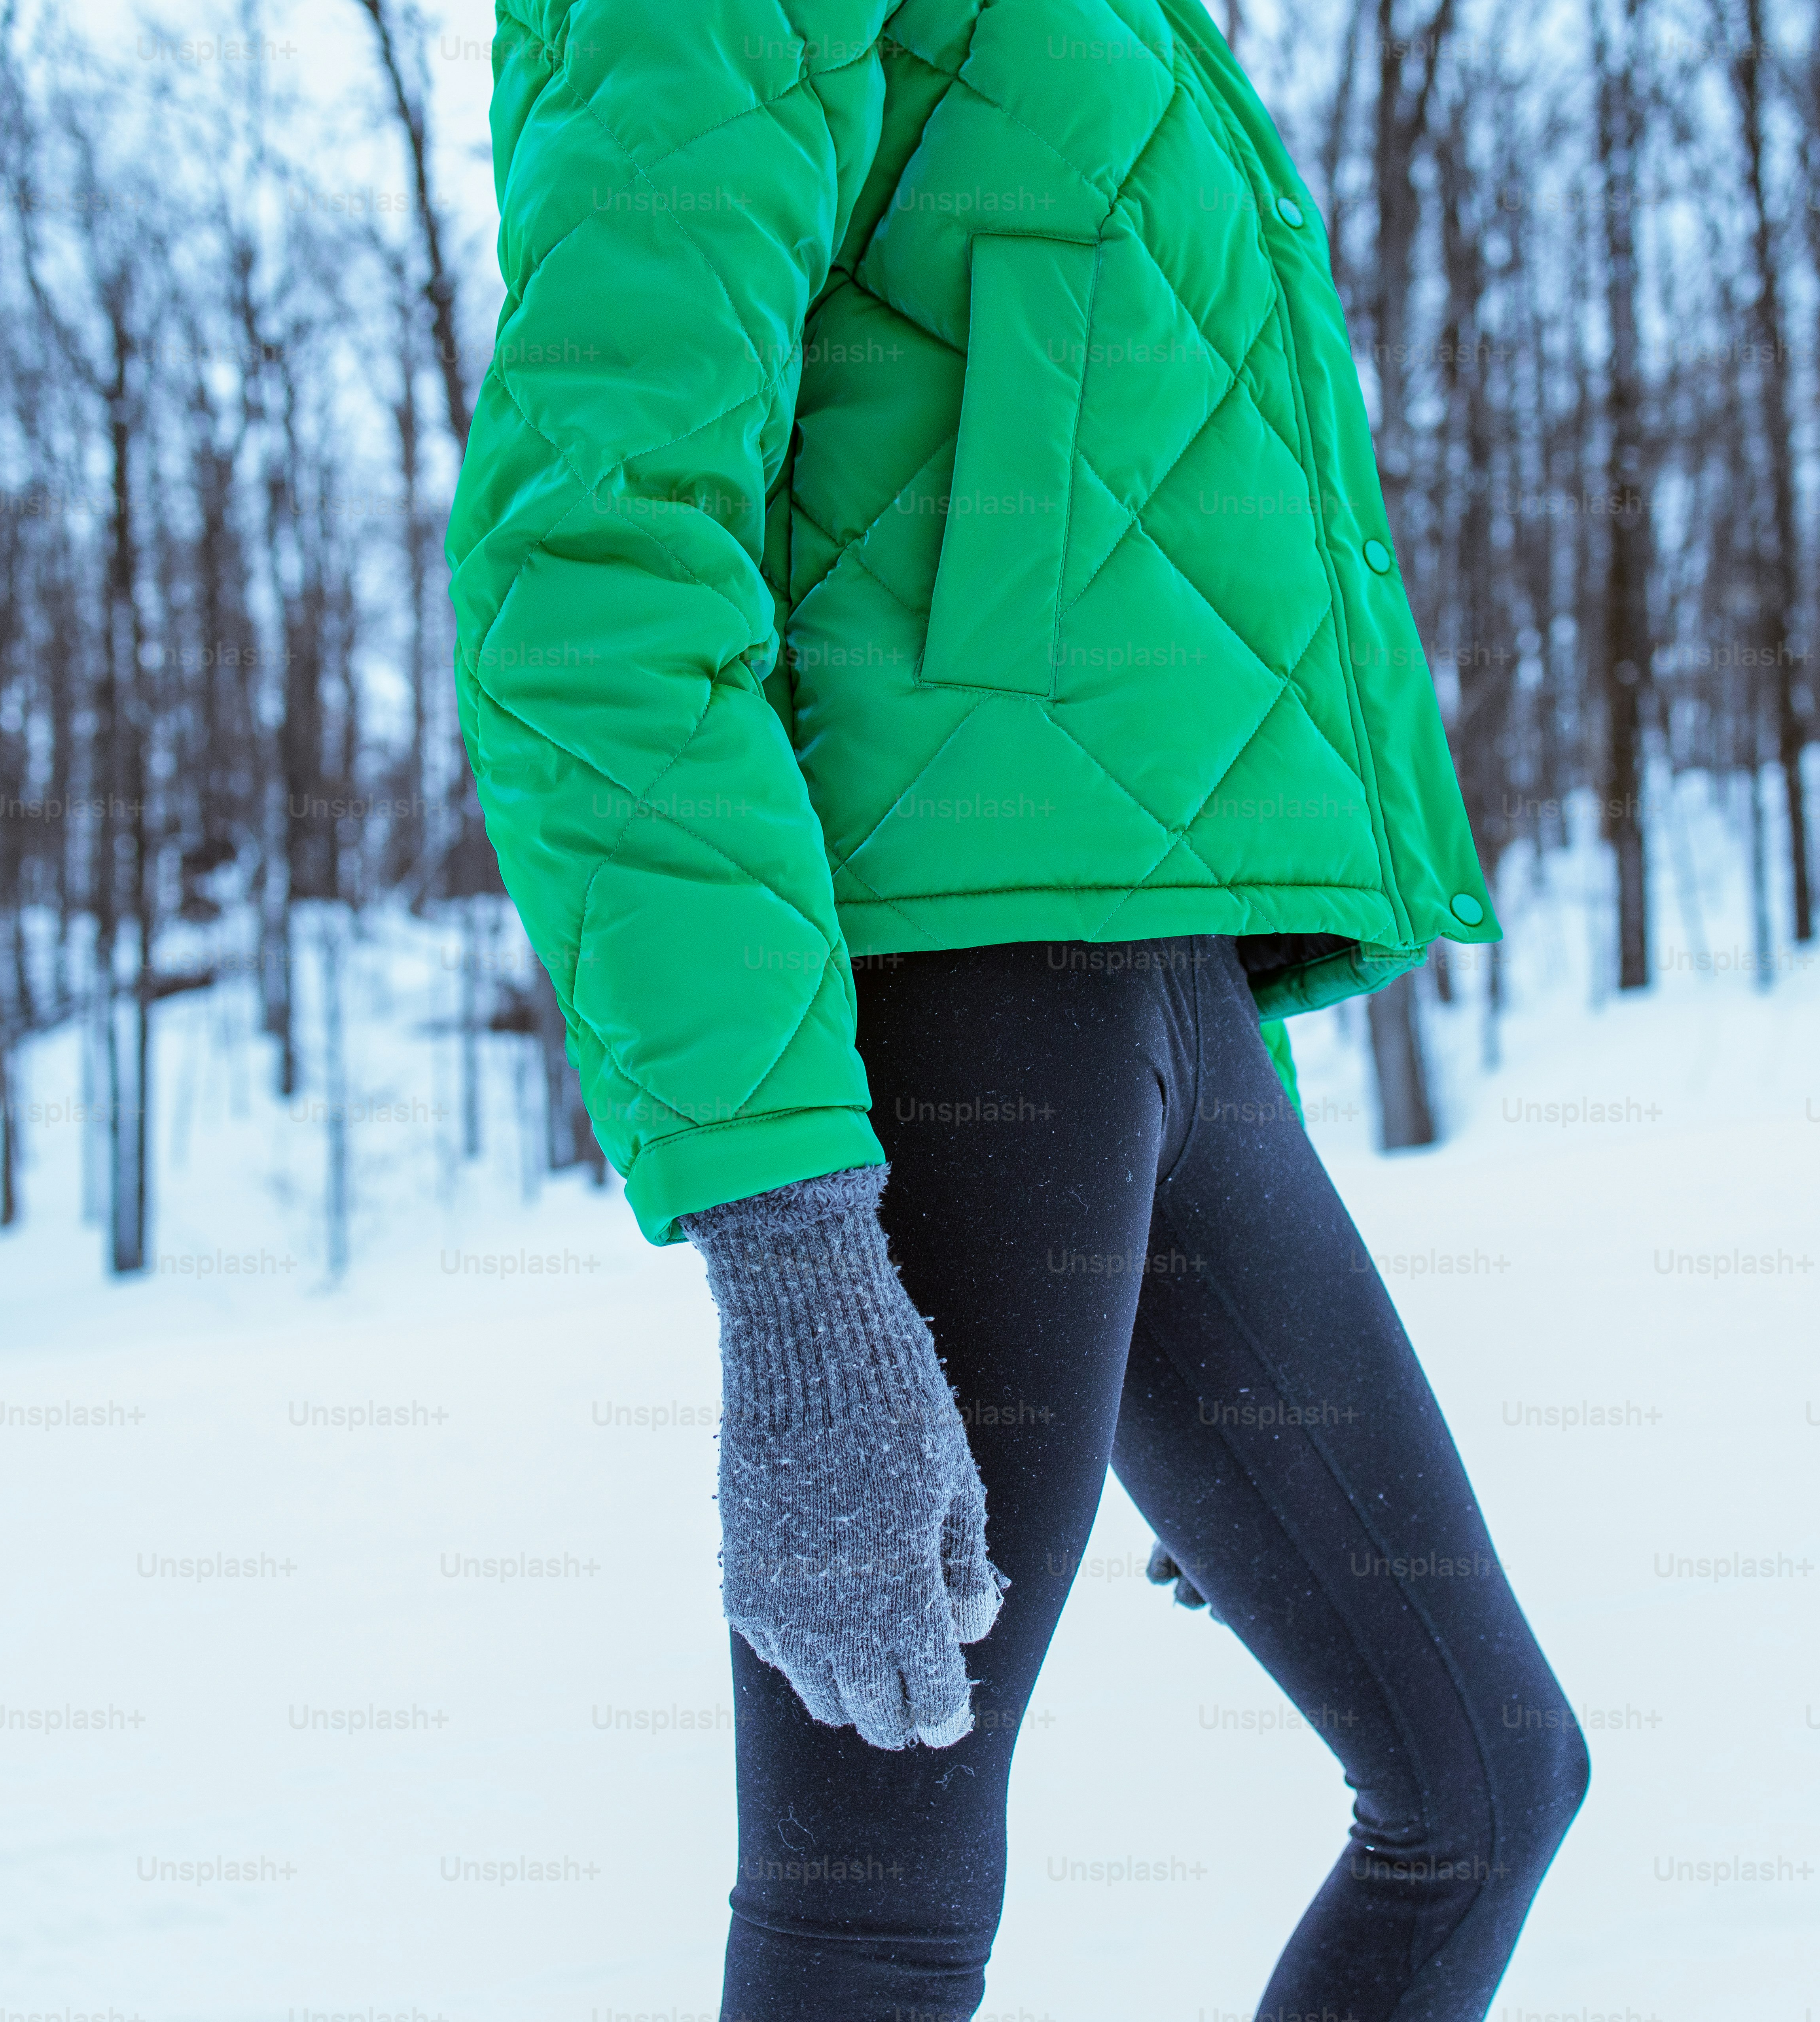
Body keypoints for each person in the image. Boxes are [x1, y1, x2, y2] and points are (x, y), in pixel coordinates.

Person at [446, 5, 1586, 2016]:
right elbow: (594, 575)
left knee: (1484, 1786)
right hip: (948, 1025)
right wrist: (794, 1254)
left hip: (1168, 1016)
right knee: (873, 1931)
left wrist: (1188, 1226)